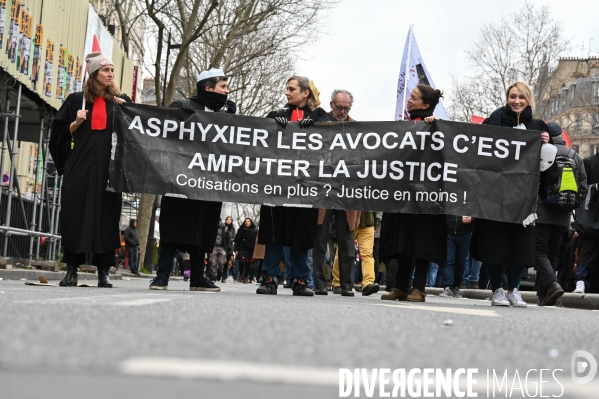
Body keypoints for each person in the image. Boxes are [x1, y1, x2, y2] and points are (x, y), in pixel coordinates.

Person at [149, 68, 235, 291]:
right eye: (222, 87)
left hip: (209, 183)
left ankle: (198, 278)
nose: (227, 92)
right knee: (173, 228)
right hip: (181, 181)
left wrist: (234, 120)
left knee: (202, 230)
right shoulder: (186, 106)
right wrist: (175, 112)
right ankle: (162, 276)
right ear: (208, 88)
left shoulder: (224, 113)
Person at [50, 51, 130, 288]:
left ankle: (103, 271)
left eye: (112, 71)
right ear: (94, 74)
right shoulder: (76, 101)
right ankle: (71, 270)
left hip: (108, 174)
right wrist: (75, 124)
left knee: (106, 220)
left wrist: (125, 111)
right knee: (74, 217)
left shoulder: (119, 103)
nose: (110, 74)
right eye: (106, 70)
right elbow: (57, 135)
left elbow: (137, 132)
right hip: (79, 170)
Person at [470, 81, 550, 308]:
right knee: (493, 244)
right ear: (507, 98)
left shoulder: (538, 126)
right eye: (512, 96)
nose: (516, 101)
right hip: (493, 196)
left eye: (521, 97)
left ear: (528, 100)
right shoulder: (491, 123)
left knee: (520, 246)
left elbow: (546, 165)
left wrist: (546, 143)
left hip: (523, 200)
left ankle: (514, 290)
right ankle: (497, 290)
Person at [256, 76, 327, 296]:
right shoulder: (277, 115)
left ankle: (300, 280)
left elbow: (334, 138)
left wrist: (317, 126)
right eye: (287, 89)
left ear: (305, 93)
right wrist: (271, 123)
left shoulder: (320, 117)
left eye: (291, 89)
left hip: (305, 187)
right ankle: (269, 278)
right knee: (275, 231)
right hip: (277, 185)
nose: (287, 93)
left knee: (301, 234)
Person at [380, 85, 447, 303]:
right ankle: (400, 286)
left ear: (426, 105)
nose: (409, 100)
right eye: (409, 97)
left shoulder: (436, 128)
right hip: (402, 194)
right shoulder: (404, 127)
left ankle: (418, 288)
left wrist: (434, 125)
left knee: (422, 241)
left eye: (414, 98)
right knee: (403, 240)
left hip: (426, 196)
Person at [313, 89, 360, 296]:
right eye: (339, 107)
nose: (342, 111)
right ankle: (320, 283)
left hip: (347, 191)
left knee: (347, 240)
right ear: (331, 104)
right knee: (320, 238)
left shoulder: (358, 129)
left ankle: (347, 284)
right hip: (323, 189)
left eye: (346, 108)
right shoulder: (321, 124)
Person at [535, 121, 587, 305]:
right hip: (563, 215)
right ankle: (543, 296)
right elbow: (582, 186)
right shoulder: (575, 156)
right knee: (552, 254)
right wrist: (572, 204)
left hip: (542, 211)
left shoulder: (542, 152)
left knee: (538, 252)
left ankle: (552, 284)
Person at [573, 149, 599, 294]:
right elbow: (581, 188)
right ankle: (581, 281)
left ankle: (582, 282)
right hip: (590, 216)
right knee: (587, 250)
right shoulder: (589, 162)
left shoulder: (589, 162)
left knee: (587, 250)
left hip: (589, 217)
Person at [439, 215, 474, 298]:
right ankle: (448, 287)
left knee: (461, 262)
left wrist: (472, 218)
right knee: (449, 260)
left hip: (465, 232)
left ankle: (456, 286)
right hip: (449, 231)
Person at [234, 218, 257, 284]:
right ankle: (241, 274)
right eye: (246, 221)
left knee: (248, 263)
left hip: (251, 248)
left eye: (248, 221)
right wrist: (236, 249)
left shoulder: (254, 230)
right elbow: (237, 240)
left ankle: (246, 277)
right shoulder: (241, 230)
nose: (247, 222)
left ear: (251, 222)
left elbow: (256, 241)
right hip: (242, 247)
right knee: (241, 261)